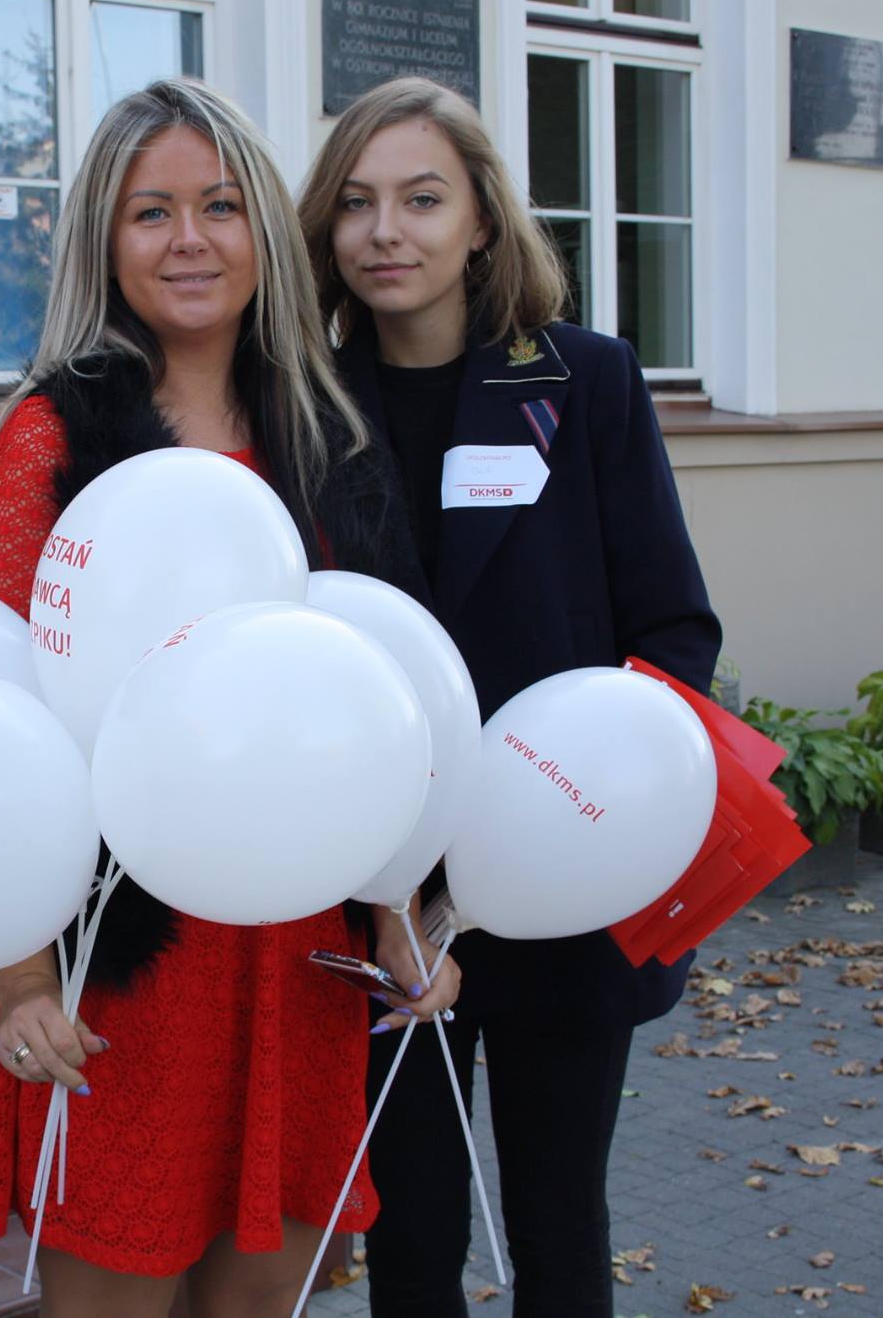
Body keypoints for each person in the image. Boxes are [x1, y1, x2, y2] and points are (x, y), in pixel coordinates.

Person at [0, 77, 461, 1318]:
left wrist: (398, 913)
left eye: (221, 206)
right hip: (121, 966)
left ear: (263, 234)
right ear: (104, 240)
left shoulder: (325, 427)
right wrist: (22, 980)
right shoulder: (50, 438)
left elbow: (381, 693)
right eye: (151, 212)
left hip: (295, 946)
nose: (189, 240)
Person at [297, 77, 722, 1318]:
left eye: (422, 199)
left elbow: (672, 630)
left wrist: (600, 800)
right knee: (411, 1237)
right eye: (355, 203)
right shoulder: (304, 407)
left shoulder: (583, 383)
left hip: (561, 885)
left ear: (482, 219)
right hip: (379, 903)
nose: (385, 231)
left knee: (557, 1225)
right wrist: (398, 891)